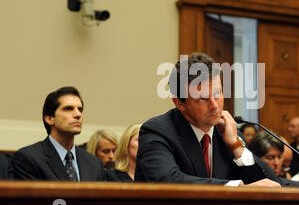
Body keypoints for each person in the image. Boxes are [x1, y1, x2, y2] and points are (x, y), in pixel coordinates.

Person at [135, 52, 280, 187]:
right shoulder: (157, 131)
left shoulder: (227, 133)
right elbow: (167, 180)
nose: (214, 105)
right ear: (179, 103)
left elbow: (270, 184)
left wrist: (237, 146)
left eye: (217, 93)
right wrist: (235, 187)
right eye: (203, 98)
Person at [11, 86, 105, 181]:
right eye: (68, 109)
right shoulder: (29, 158)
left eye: (80, 109)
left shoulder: (94, 164)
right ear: (49, 119)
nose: (78, 115)